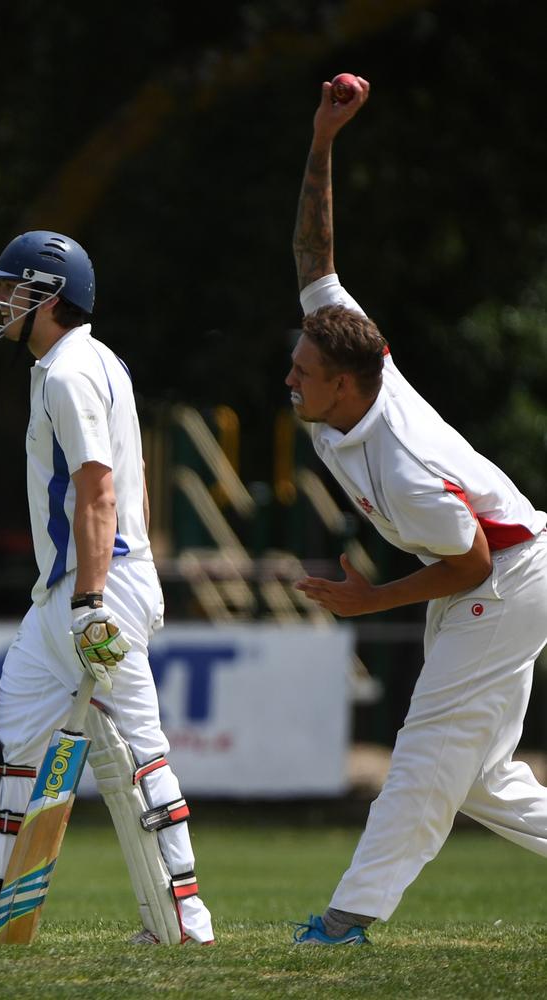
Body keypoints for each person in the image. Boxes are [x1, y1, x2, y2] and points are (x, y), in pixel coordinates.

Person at [0, 231, 214, 947]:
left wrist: (92, 601)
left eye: (13, 288)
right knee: (5, 741)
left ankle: (185, 920)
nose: (2, 301)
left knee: (133, 748)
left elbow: (97, 491)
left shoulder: (72, 372)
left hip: (90, 587)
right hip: (79, 587)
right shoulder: (91, 363)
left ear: (48, 294)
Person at [289, 79, 547, 946]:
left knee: (429, 749)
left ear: (349, 384)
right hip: (491, 567)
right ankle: (352, 912)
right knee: (481, 778)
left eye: (303, 374)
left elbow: (472, 561)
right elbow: (314, 256)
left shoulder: (404, 470)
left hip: (506, 573)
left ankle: (347, 918)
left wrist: (370, 602)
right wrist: (325, 139)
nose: (290, 378)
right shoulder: (344, 354)